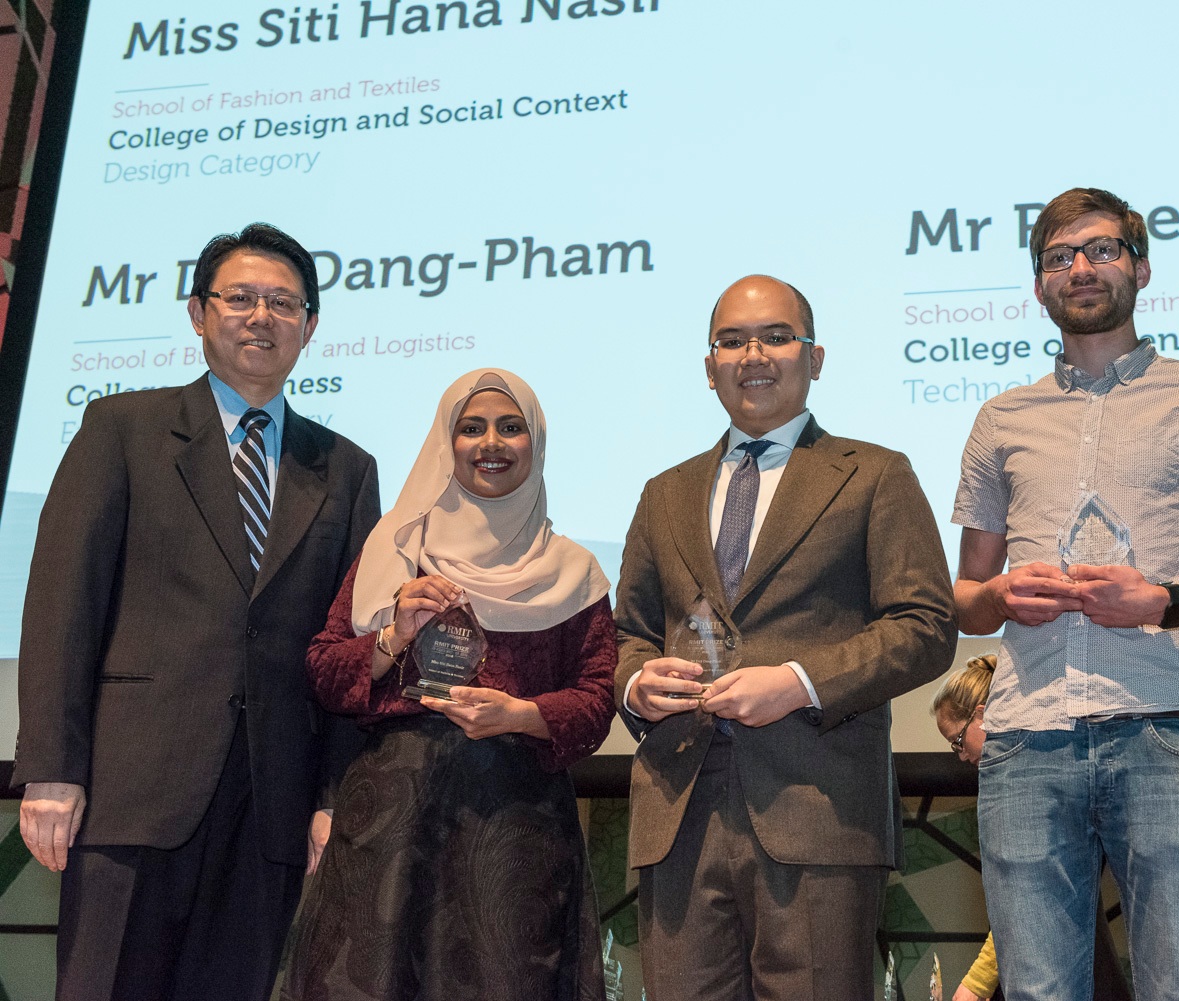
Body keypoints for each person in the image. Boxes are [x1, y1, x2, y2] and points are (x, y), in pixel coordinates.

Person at [952, 187, 1179, 1000]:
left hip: (1165, 735)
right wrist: (1003, 594)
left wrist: (1167, 599)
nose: (1081, 267)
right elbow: (965, 597)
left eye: (1102, 249)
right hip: (1024, 741)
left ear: (1141, 268)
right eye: (1059, 256)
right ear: (1040, 286)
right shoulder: (999, 418)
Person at [12, 223, 381, 1000]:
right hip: (130, 791)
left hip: (269, 806)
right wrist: (50, 766)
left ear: (310, 326)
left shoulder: (345, 469)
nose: (261, 317)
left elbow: (348, 646)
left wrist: (330, 795)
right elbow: (61, 603)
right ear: (197, 313)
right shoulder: (122, 429)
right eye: (240, 297)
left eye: (283, 303)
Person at [615, 274, 959, 1000]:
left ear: (816, 356)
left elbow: (926, 626)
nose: (754, 354)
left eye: (776, 335)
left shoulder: (874, 474)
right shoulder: (663, 491)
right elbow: (631, 634)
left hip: (818, 808)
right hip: (678, 811)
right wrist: (637, 684)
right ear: (709, 367)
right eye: (732, 340)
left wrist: (799, 681)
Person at [281, 368, 615, 1001]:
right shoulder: (395, 551)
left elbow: (597, 701)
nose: (491, 443)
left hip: (515, 832)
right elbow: (325, 670)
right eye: (472, 428)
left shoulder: (575, 570)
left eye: (511, 428)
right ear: (446, 443)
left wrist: (521, 715)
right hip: (390, 825)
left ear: (535, 443)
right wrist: (391, 636)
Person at [931, 656, 1130, 1001]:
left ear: (983, 714)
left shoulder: (1041, 783)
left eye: (958, 740)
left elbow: (1035, 902)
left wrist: (976, 985)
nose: (960, 755)